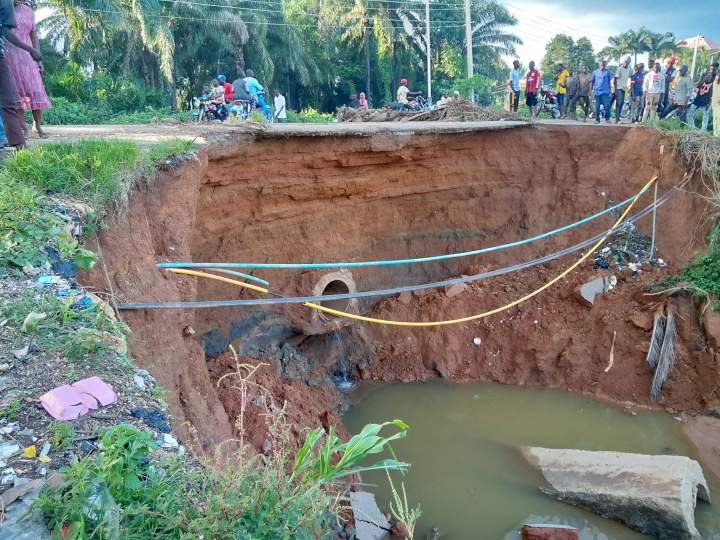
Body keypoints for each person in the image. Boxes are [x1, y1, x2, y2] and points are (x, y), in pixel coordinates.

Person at [5, 0, 50, 138]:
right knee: (17, 92)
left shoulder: (28, 11)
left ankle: (37, 125)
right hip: (9, 55)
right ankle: (23, 128)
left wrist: (38, 59)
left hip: (28, 56)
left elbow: (34, 36)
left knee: (36, 90)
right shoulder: (4, 9)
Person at [689, 62, 718, 131]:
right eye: (711, 66)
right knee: (690, 111)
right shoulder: (705, 74)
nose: (712, 68)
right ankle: (692, 128)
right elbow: (699, 84)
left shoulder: (716, 77)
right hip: (699, 97)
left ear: (716, 68)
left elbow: (715, 90)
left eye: (714, 67)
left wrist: (711, 100)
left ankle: (703, 131)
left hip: (707, 98)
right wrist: (702, 78)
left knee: (705, 114)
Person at [614, 57, 632, 123]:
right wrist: (615, 89)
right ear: (623, 61)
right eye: (625, 62)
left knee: (621, 103)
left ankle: (618, 117)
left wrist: (629, 87)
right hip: (619, 87)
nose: (626, 63)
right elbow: (615, 79)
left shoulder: (629, 69)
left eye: (628, 62)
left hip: (624, 88)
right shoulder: (620, 68)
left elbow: (630, 77)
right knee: (619, 102)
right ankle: (617, 118)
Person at [713, 73, 720, 137]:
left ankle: (718, 134)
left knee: (718, 119)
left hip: (718, 103)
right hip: (714, 103)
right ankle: (715, 134)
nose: (716, 78)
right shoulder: (714, 83)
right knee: (715, 118)